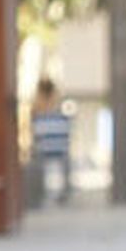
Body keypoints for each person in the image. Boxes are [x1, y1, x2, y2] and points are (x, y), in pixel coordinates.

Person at [30, 77, 73, 205]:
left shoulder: (39, 103)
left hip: (47, 145)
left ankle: (43, 193)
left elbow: (34, 127)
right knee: (64, 163)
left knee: (43, 161)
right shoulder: (53, 102)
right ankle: (62, 193)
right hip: (55, 145)